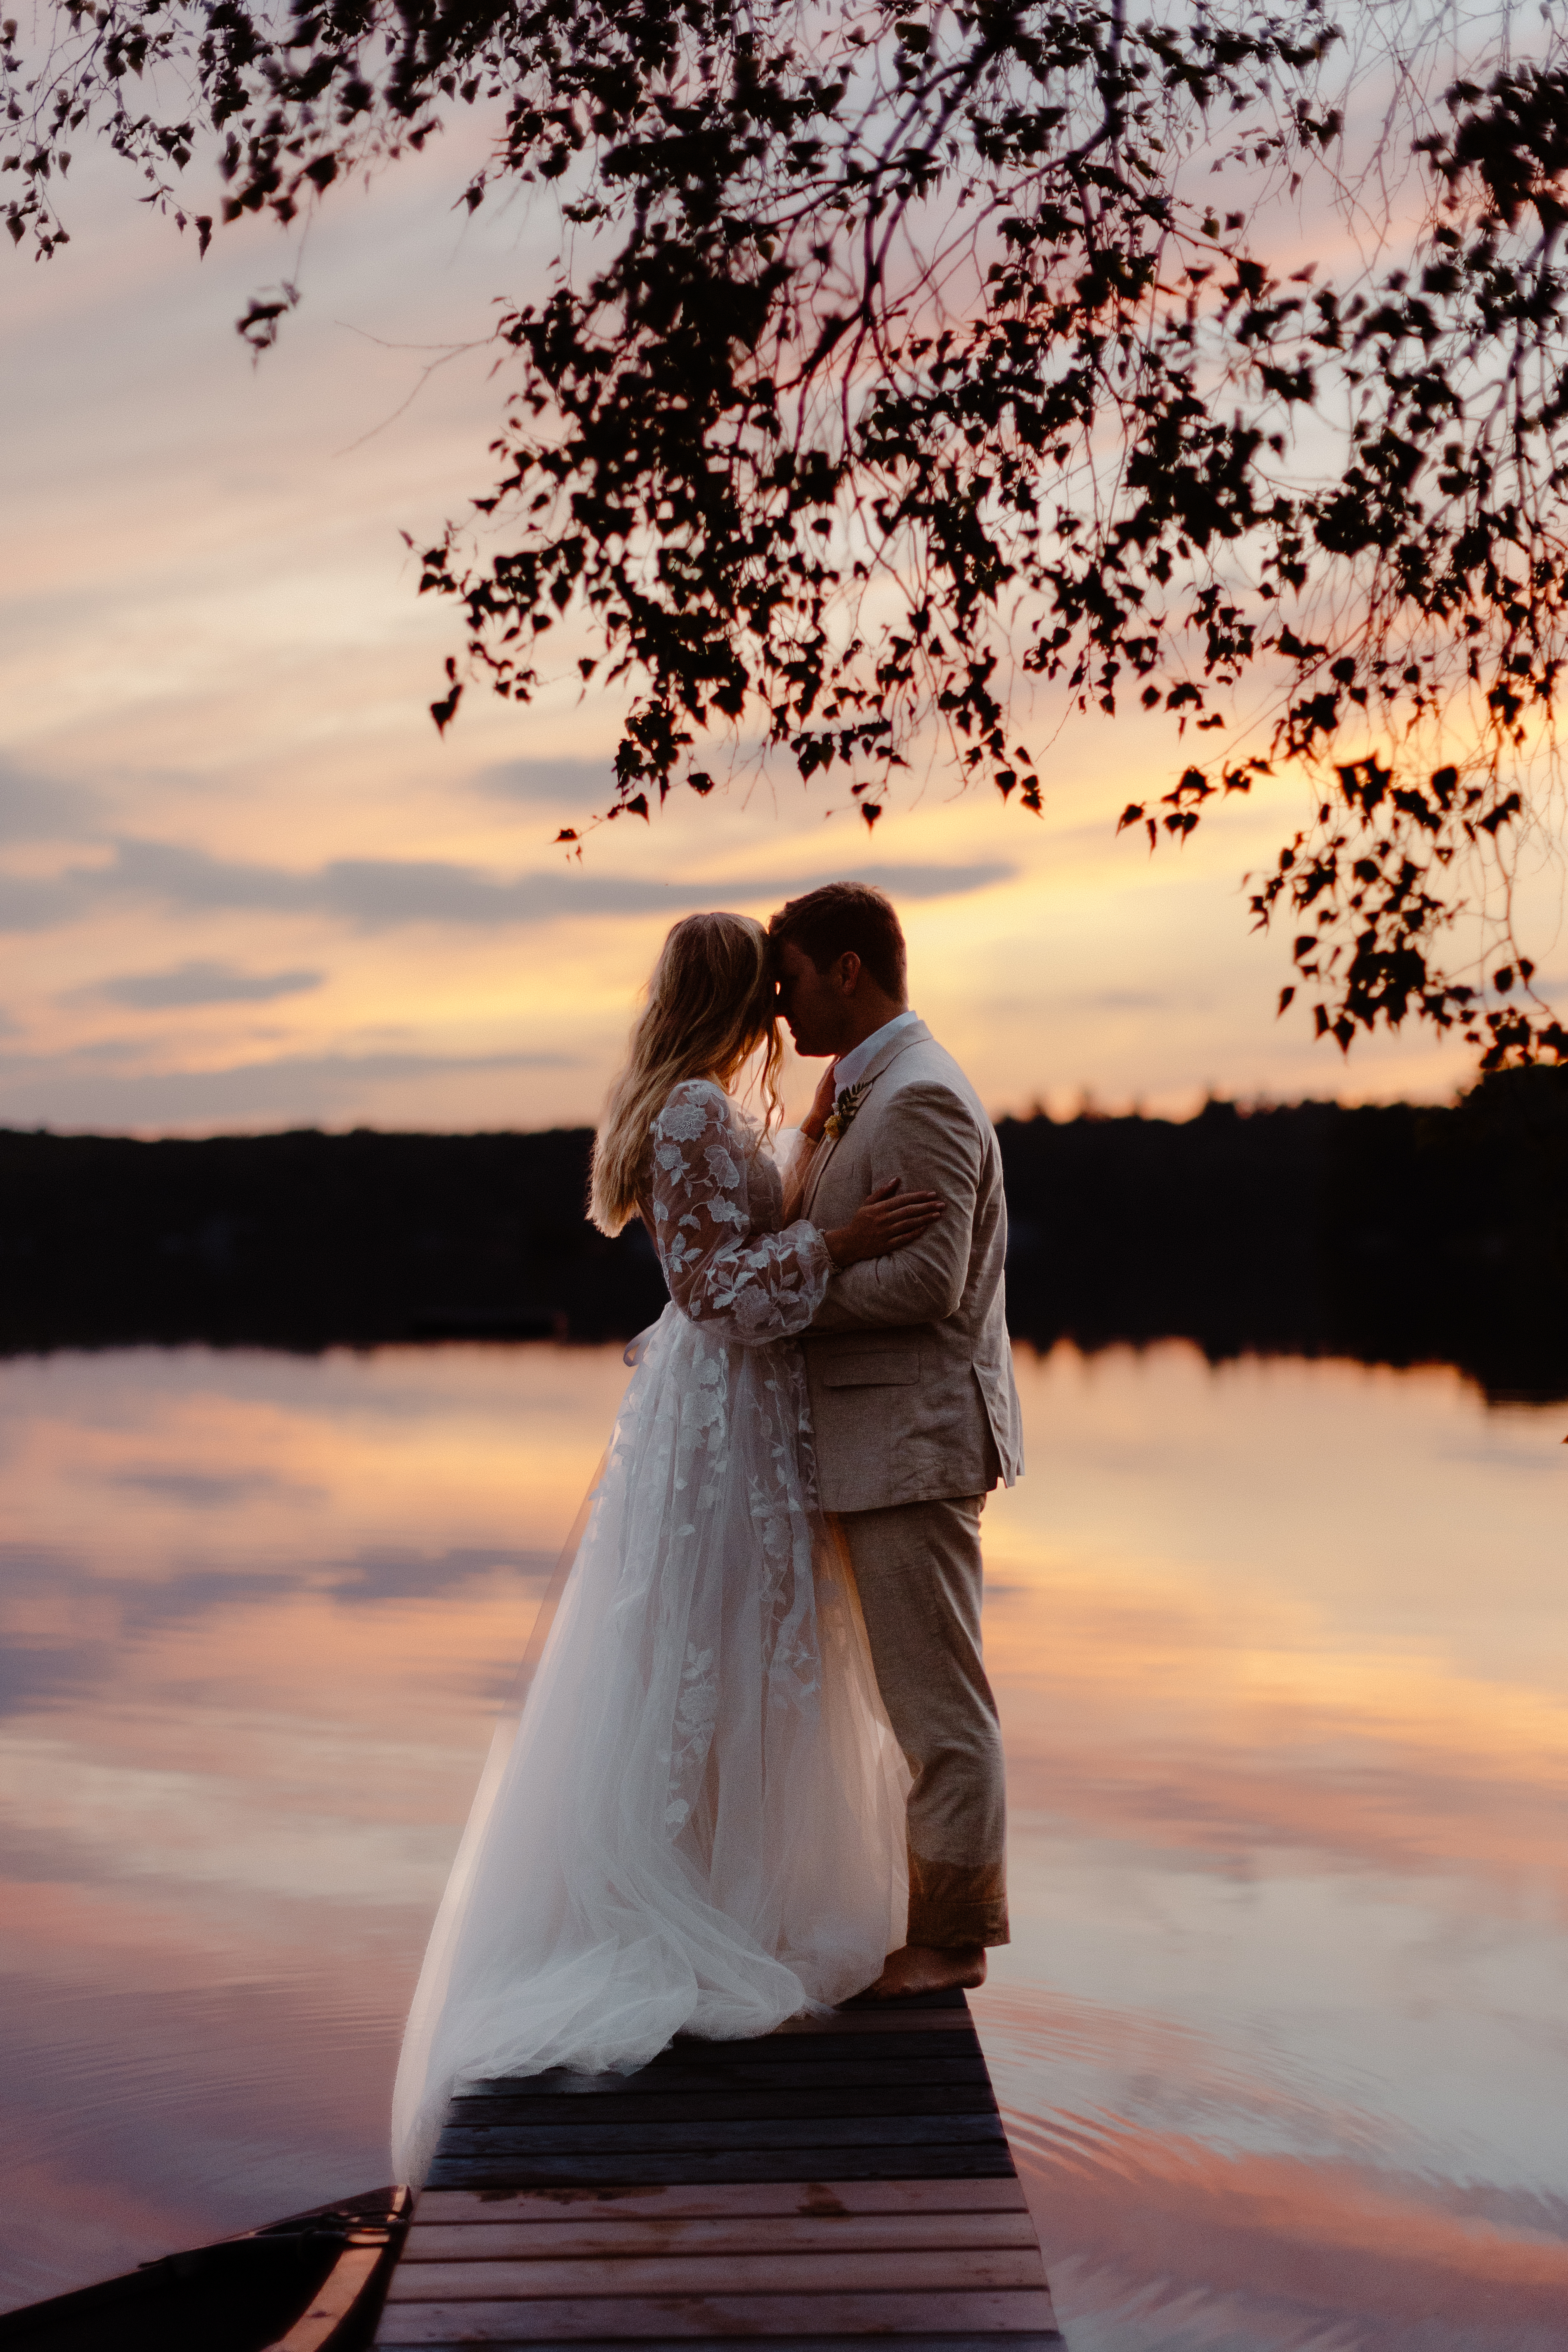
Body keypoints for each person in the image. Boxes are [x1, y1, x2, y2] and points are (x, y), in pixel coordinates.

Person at [390, 910, 944, 2189]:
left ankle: (736, 1880)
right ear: (730, 991)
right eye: (767, 982)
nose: (782, 998)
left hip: (738, 1409)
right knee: (709, 1643)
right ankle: (697, 1897)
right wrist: (838, 1241)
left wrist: (809, 1195)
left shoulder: (700, 1105)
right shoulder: (692, 1113)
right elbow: (713, 1292)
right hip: (718, 1413)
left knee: (743, 1643)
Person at [769, 881, 1024, 1999]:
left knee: (938, 1703)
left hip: (914, 1443)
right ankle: (928, 1920)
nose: (779, 1003)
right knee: (915, 1698)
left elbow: (928, 1280)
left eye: (790, 976)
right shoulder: (865, 1091)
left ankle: (953, 1938)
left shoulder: (919, 1096)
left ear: (847, 971)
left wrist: (787, 1291)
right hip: (879, 1441)